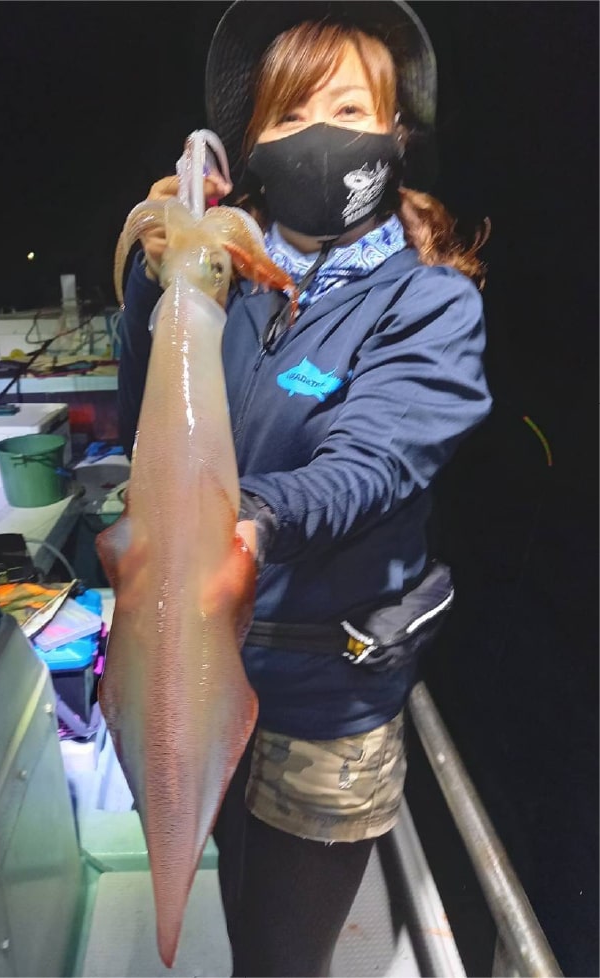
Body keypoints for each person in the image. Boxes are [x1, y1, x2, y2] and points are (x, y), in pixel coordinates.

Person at [115, 1, 492, 974]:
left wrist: (256, 518)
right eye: (288, 114)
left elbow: (373, 463)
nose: (317, 133)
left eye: (346, 108)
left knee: (280, 958)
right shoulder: (228, 286)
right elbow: (143, 427)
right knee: (228, 900)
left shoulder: (427, 301)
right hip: (198, 669)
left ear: (395, 135)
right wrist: (159, 288)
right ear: (252, 147)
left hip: (326, 701)